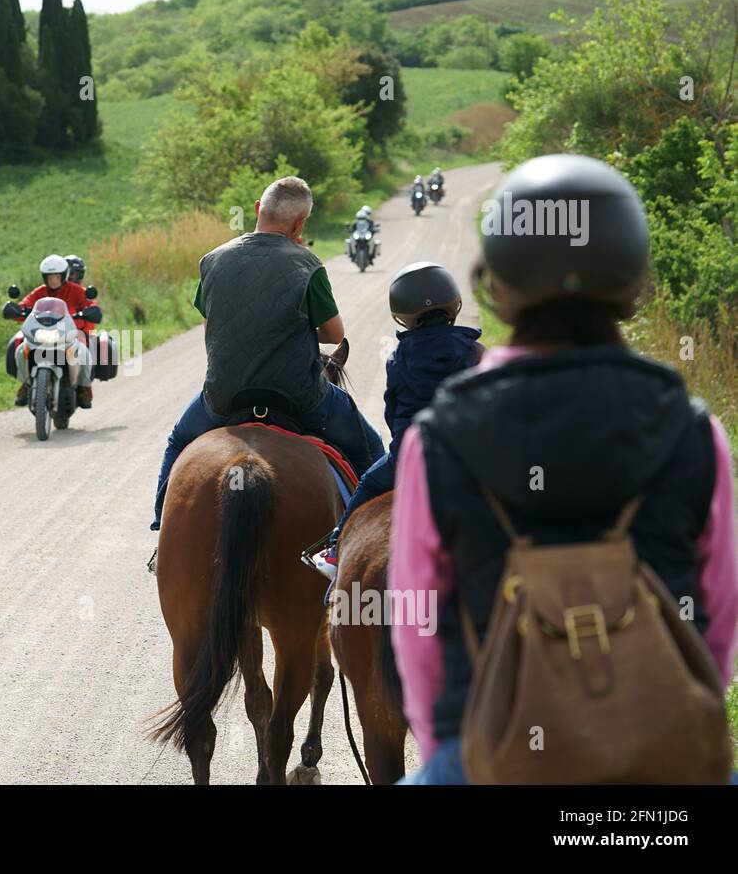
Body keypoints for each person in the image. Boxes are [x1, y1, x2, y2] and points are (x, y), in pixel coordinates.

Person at [390, 154, 738, 784]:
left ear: (497, 284)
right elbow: (719, 612)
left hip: (490, 747)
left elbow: (416, 619)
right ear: (632, 281)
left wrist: (447, 750)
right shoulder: (694, 429)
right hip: (664, 744)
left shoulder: (435, 440)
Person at [149, 176, 383, 537]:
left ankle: (160, 524)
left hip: (225, 396)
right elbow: (334, 335)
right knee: (368, 445)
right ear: (299, 224)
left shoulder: (212, 261)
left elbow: (214, 323)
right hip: (301, 397)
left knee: (178, 440)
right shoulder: (308, 264)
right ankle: (373, 528)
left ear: (258, 209)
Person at [310, 262, 481, 581]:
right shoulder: (476, 351)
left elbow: (392, 412)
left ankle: (335, 548)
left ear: (403, 315)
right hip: (468, 458)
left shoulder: (398, 359)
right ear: (454, 303)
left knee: (367, 484)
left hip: (411, 458)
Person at [5, 254, 96, 409]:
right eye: (49, 277)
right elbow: (26, 304)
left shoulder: (76, 291)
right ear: (44, 277)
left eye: (56, 276)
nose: (53, 280)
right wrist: (17, 310)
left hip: (70, 333)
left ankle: (84, 387)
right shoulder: (40, 292)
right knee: (21, 349)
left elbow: (90, 305)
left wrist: (90, 312)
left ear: (63, 275)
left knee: (83, 351)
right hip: (44, 332)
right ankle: (26, 384)